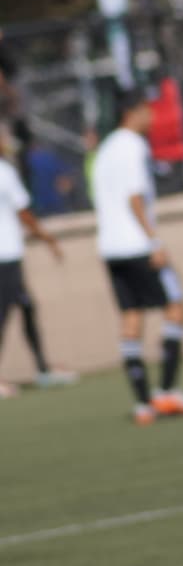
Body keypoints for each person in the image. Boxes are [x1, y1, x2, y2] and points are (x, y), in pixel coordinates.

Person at [93, 89, 183, 426]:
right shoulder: (133, 146)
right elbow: (134, 198)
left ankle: (143, 404)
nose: (152, 116)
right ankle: (167, 391)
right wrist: (153, 241)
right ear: (131, 113)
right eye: (147, 110)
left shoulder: (105, 149)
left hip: (110, 248)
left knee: (131, 318)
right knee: (177, 309)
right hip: (137, 245)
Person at [0, 126, 76, 397]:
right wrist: (47, 238)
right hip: (6, 257)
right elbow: (24, 214)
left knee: (27, 307)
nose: (7, 141)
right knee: (4, 314)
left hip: (8, 256)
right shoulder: (5, 172)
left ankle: (43, 368)